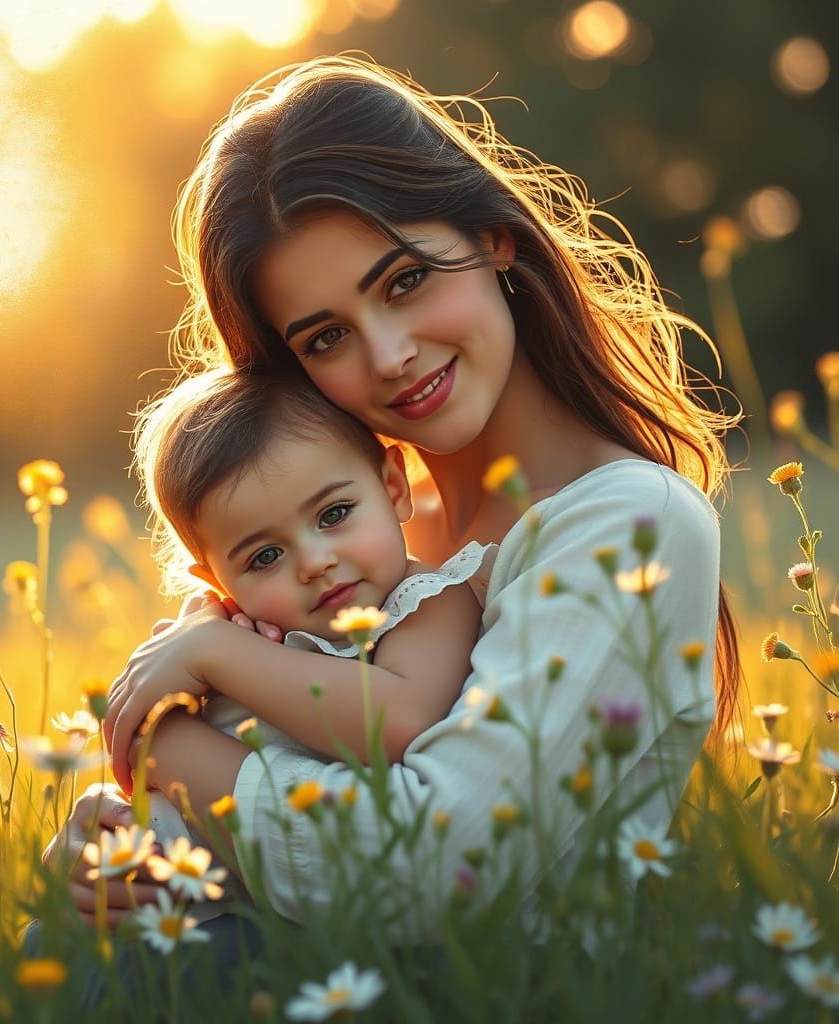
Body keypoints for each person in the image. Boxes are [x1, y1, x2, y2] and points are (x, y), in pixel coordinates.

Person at [46, 55, 739, 948]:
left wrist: (169, 755)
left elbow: (436, 873)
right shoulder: (340, 535)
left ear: (495, 236)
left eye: (404, 281)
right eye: (326, 336)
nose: (387, 356)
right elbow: (241, 735)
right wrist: (122, 827)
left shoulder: (629, 523)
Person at [121, 367, 487, 862]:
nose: (315, 563)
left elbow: (403, 720)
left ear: (394, 488)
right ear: (216, 584)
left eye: (333, 514)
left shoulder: (427, 600)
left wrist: (221, 656)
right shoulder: (238, 633)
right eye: (265, 557)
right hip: (157, 875)